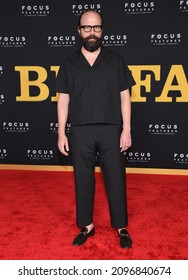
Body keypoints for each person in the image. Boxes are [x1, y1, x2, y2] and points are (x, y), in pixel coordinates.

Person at [55, 10, 135, 249]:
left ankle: (121, 227)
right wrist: (61, 133)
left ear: (102, 30)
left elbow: (125, 97)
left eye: (96, 28)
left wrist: (127, 129)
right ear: (79, 31)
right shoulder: (68, 64)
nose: (92, 32)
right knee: (82, 179)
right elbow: (63, 100)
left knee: (116, 179)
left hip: (112, 129)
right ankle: (86, 226)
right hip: (80, 131)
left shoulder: (116, 60)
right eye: (87, 28)